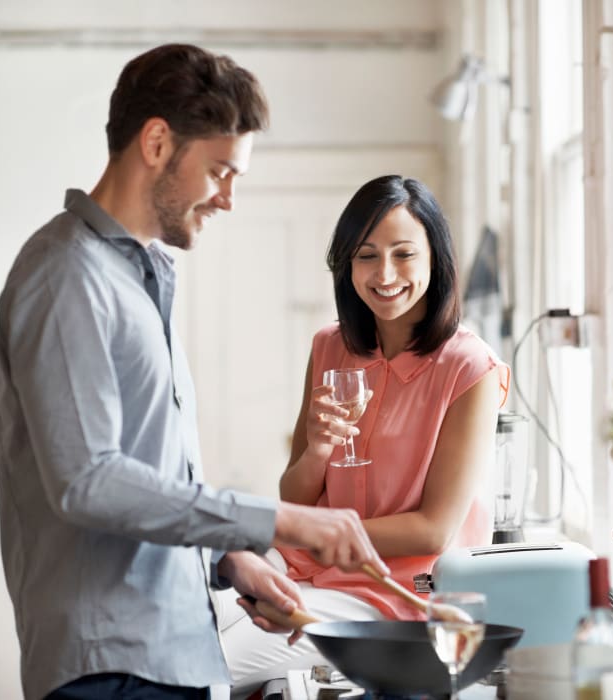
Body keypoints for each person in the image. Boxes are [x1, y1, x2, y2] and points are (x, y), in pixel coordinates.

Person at [0, 44, 387, 700]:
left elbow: (148, 480)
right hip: (112, 672)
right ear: (156, 143)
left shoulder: (138, 275)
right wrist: (280, 521)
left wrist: (227, 559)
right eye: (220, 171)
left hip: (167, 656)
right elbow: (88, 482)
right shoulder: (68, 276)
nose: (229, 199)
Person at [216, 175, 509, 697]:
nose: (386, 274)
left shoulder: (470, 368)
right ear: (346, 264)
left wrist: (322, 534)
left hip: (391, 592)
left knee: (203, 663)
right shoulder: (331, 346)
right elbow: (296, 495)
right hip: (302, 563)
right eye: (366, 256)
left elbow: (434, 531)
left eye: (404, 254)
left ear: (435, 260)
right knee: (180, 618)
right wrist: (319, 449)